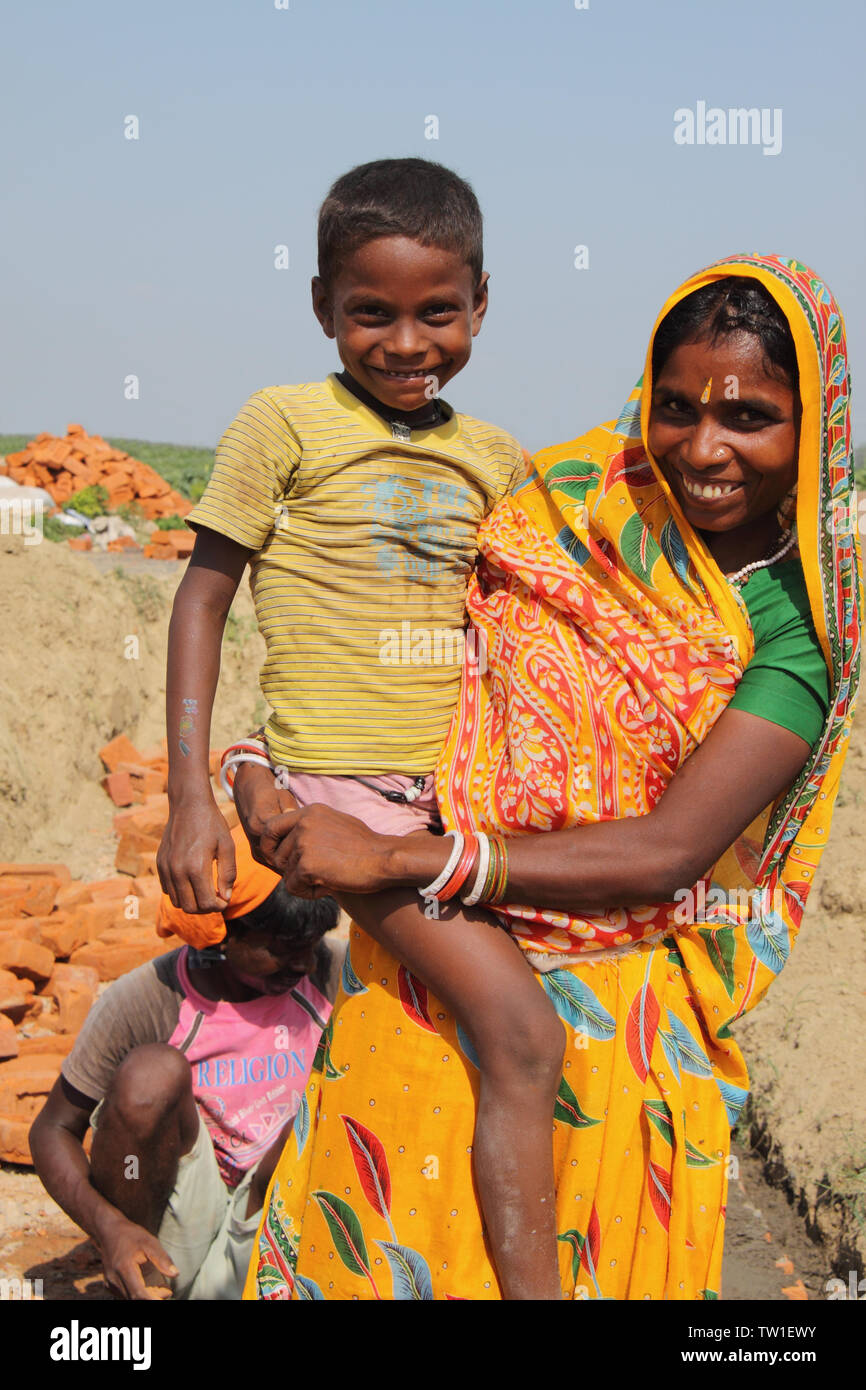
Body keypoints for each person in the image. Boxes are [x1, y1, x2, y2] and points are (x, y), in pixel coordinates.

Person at [235, 253, 861, 1300]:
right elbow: (381, 653)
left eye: (747, 416)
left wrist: (392, 854)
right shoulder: (560, 516)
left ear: (813, 430)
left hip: (606, 1032)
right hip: (432, 979)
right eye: (673, 408)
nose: (701, 448)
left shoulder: (798, 631)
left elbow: (667, 850)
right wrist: (262, 759)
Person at [157, 157, 568, 1299]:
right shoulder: (283, 421)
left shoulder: (493, 459)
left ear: (482, 302)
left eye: (437, 312)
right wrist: (198, 787)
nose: (403, 342)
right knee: (523, 1037)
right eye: (368, 313)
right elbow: (202, 596)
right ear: (322, 307)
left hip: (447, 802)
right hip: (338, 800)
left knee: (439, 1047)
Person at [29, 823, 344, 1300]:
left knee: (332, 1095)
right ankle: (145, 1280)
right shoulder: (150, 999)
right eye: (282, 949)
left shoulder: (332, 973)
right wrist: (109, 1228)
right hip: (181, 1222)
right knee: (150, 1075)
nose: (302, 964)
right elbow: (52, 1130)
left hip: (282, 1213)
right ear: (222, 934)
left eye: (311, 944)